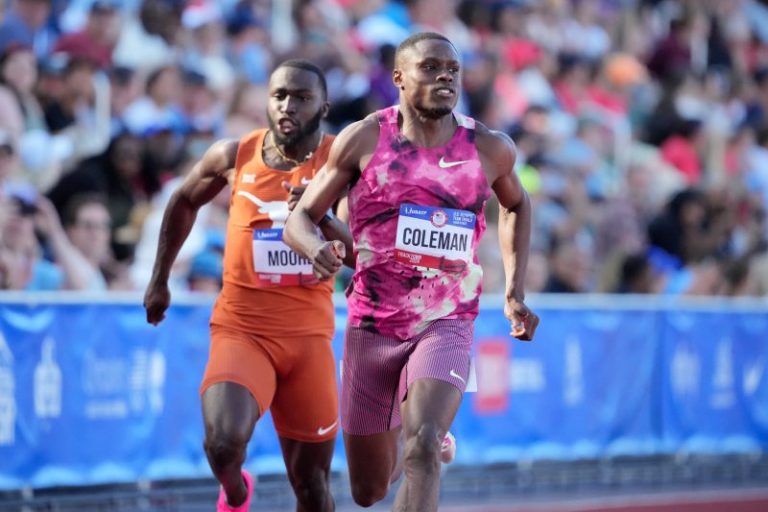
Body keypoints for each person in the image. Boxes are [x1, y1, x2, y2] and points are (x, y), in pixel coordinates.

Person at [284, 32, 540, 512]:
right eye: (431, 67)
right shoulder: (363, 139)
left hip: (447, 319)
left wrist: (514, 291)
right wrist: (316, 246)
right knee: (368, 490)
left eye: (453, 69)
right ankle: (414, 429)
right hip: (373, 323)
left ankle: (426, 432)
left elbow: (517, 205)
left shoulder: (488, 148)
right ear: (399, 78)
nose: (445, 75)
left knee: (423, 447)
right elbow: (300, 218)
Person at [143, 59, 352, 512]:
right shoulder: (233, 155)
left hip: (308, 338)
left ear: (323, 106)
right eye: (279, 96)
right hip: (243, 330)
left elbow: (361, 248)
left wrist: (325, 219)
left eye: (301, 97)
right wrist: (159, 280)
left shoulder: (342, 163)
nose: (287, 106)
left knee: (312, 485)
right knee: (222, 445)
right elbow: (182, 201)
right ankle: (237, 493)